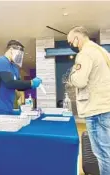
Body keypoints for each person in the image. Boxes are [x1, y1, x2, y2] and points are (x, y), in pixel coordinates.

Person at [67, 26, 110, 175]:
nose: (71, 45)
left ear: (77, 38)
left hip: (96, 110)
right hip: (105, 106)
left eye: (71, 42)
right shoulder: (102, 51)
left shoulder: (85, 54)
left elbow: (79, 81)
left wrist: (71, 74)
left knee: (103, 154)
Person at [0, 40, 42, 116]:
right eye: (19, 53)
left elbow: (18, 86)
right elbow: (9, 83)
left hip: (7, 106)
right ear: (11, 50)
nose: (20, 56)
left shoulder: (14, 67)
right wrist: (31, 83)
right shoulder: (1, 61)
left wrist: (33, 84)